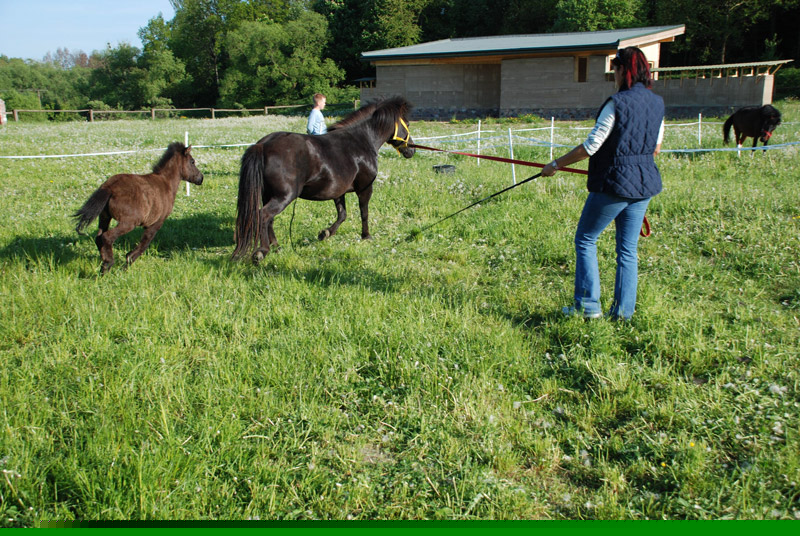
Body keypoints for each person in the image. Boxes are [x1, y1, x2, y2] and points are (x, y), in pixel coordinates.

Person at [541, 46, 665, 321]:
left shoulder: (616, 103)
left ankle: (587, 307)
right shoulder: (657, 103)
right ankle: (623, 314)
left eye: (615, 71)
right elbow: (655, 148)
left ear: (623, 70)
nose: (614, 76)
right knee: (627, 250)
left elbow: (591, 146)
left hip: (614, 185)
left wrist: (555, 165)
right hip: (644, 185)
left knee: (586, 239)